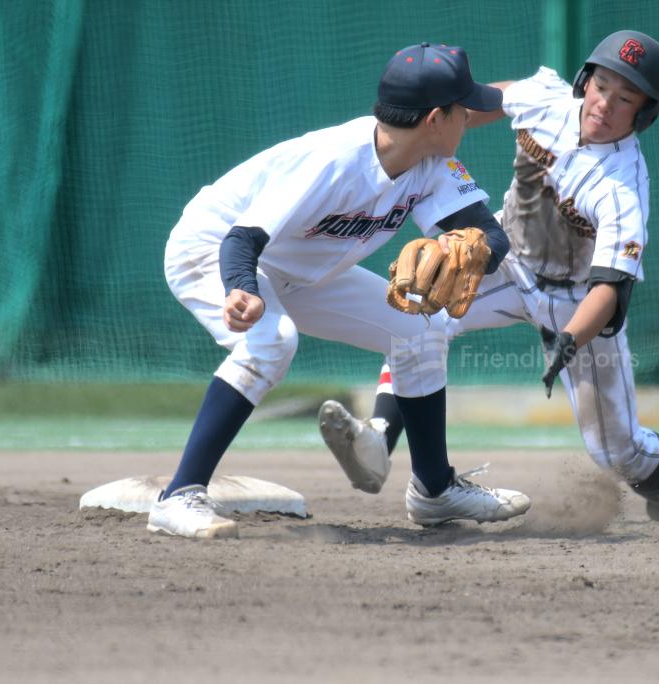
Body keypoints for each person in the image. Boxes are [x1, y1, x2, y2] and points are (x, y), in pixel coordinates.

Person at [320, 30, 659, 523]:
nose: (604, 104)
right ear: (585, 80)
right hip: (508, 262)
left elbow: (609, 288)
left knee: (616, 451)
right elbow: (492, 100)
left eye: (625, 99)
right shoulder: (547, 101)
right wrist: (451, 123)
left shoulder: (623, 187)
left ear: (645, 114)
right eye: (601, 86)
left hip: (577, 300)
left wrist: (570, 340)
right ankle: (378, 440)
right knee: (421, 318)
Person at [150, 42, 531, 539]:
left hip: (300, 267)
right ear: (437, 118)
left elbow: (491, 234)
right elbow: (241, 239)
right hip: (213, 250)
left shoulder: (433, 163)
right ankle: (179, 496)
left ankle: (435, 490)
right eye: (465, 108)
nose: (472, 116)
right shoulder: (333, 161)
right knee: (272, 340)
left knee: (423, 326)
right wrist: (242, 288)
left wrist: (474, 250)